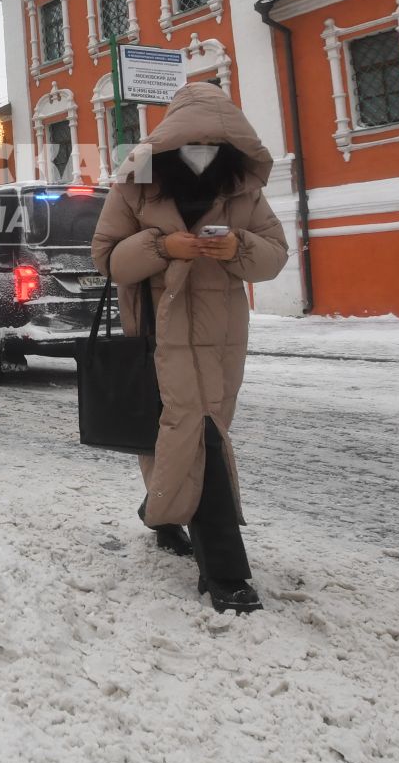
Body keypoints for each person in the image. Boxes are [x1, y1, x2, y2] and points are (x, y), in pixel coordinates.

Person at [90, 82, 289, 615]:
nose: (204, 150)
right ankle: (225, 572)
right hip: (159, 334)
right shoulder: (136, 184)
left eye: (214, 141)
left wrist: (238, 247)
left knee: (187, 432)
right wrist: (163, 246)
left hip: (222, 336)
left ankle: (161, 513)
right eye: (193, 141)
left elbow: (274, 255)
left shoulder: (243, 188)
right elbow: (107, 259)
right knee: (195, 432)